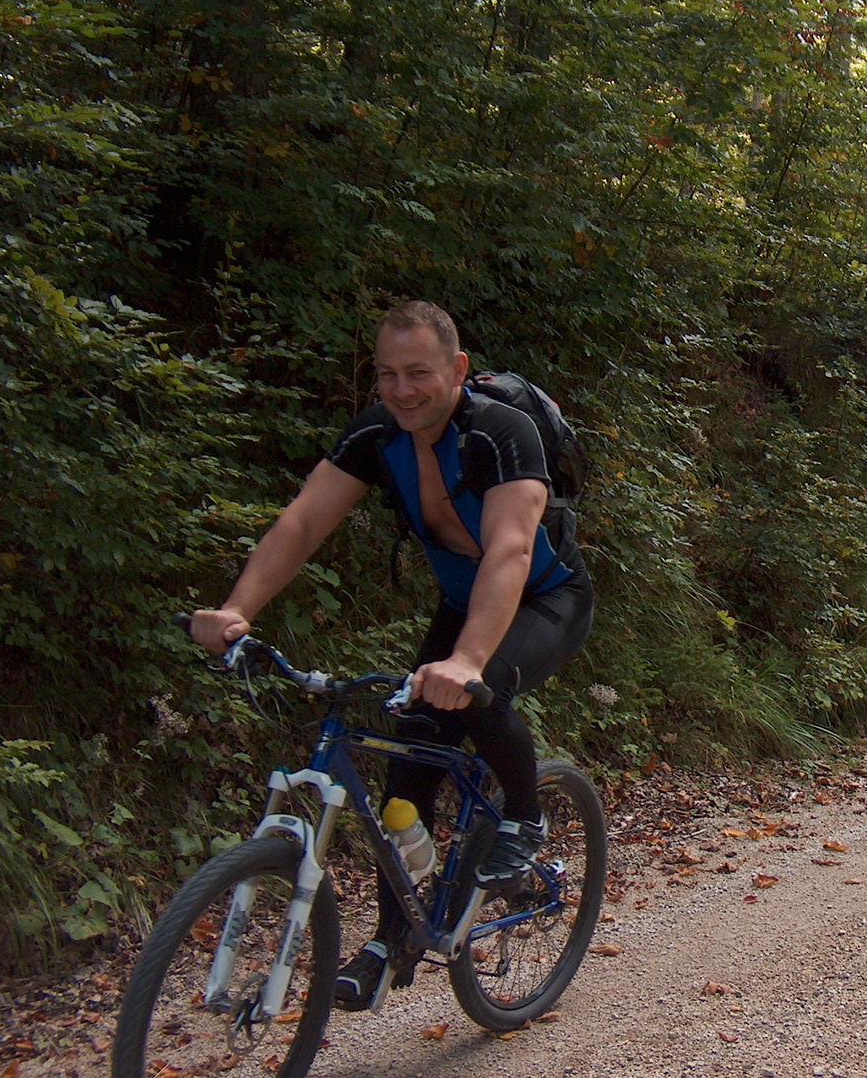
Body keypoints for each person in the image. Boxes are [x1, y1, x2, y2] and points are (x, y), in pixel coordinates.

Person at [186, 300, 592, 1011]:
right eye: (387, 375)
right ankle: (389, 938)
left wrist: (465, 662)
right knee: (407, 767)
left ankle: (525, 814)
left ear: (457, 370)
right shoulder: (378, 436)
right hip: (465, 606)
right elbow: (305, 518)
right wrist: (237, 609)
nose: (403, 390)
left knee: (482, 683)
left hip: (544, 599)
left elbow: (510, 550)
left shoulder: (502, 433)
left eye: (419, 373)